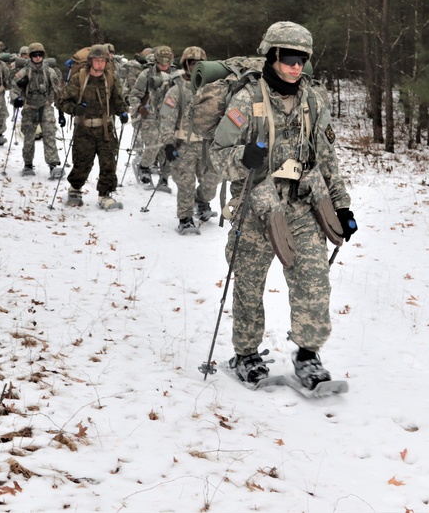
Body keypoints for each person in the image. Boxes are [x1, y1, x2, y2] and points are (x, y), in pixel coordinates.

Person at [209, 21, 358, 390]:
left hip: (303, 204)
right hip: (256, 205)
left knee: (313, 282)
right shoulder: (247, 101)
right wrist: (244, 156)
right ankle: (245, 353)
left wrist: (342, 206)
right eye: (289, 58)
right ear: (273, 56)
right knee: (248, 284)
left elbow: (327, 158)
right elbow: (217, 157)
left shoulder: (312, 100)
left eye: (302, 59)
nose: (296, 66)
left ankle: (307, 355)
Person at [157, 46, 221, 234]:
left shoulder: (212, 89)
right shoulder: (176, 90)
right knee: (185, 183)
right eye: (192, 63)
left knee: (211, 181)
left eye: (199, 64)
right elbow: (166, 117)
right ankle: (185, 217)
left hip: (206, 145)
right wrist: (168, 143)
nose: (195, 67)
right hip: (183, 145)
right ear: (185, 65)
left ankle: (201, 201)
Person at [58, 44, 129, 210]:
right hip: (84, 129)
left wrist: (122, 112)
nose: (100, 64)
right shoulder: (79, 78)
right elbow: (63, 101)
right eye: (96, 60)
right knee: (82, 162)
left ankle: (105, 194)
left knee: (108, 162)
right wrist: (75, 109)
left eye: (103, 60)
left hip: (105, 129)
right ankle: (75, 189)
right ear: (90, 61)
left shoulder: (110, 79)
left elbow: (117, 100)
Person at [10, 43, 64, 178]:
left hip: (45, 106)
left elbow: (58, 92)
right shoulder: (23, 72)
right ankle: (28, 164)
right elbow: (14, 88)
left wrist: (62, 112)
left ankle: (53, 165)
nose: (38, 58)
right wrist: (16, 99)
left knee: (50, 135)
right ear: (30, 56)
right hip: (29, 107)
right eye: (34, 55)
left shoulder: (50, 72)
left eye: (40, 55)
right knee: (29, 137)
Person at [128, 45, 176, 189]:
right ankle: (144, 167)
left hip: (169, 117)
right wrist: (139, 107)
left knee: (167, 148)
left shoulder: (176, 75)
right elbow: (134, 94)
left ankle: (164, 176)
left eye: (166, 63)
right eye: (161, 63)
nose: (164, 66)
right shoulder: (146, 75)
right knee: (153, 144)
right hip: (150, 115)